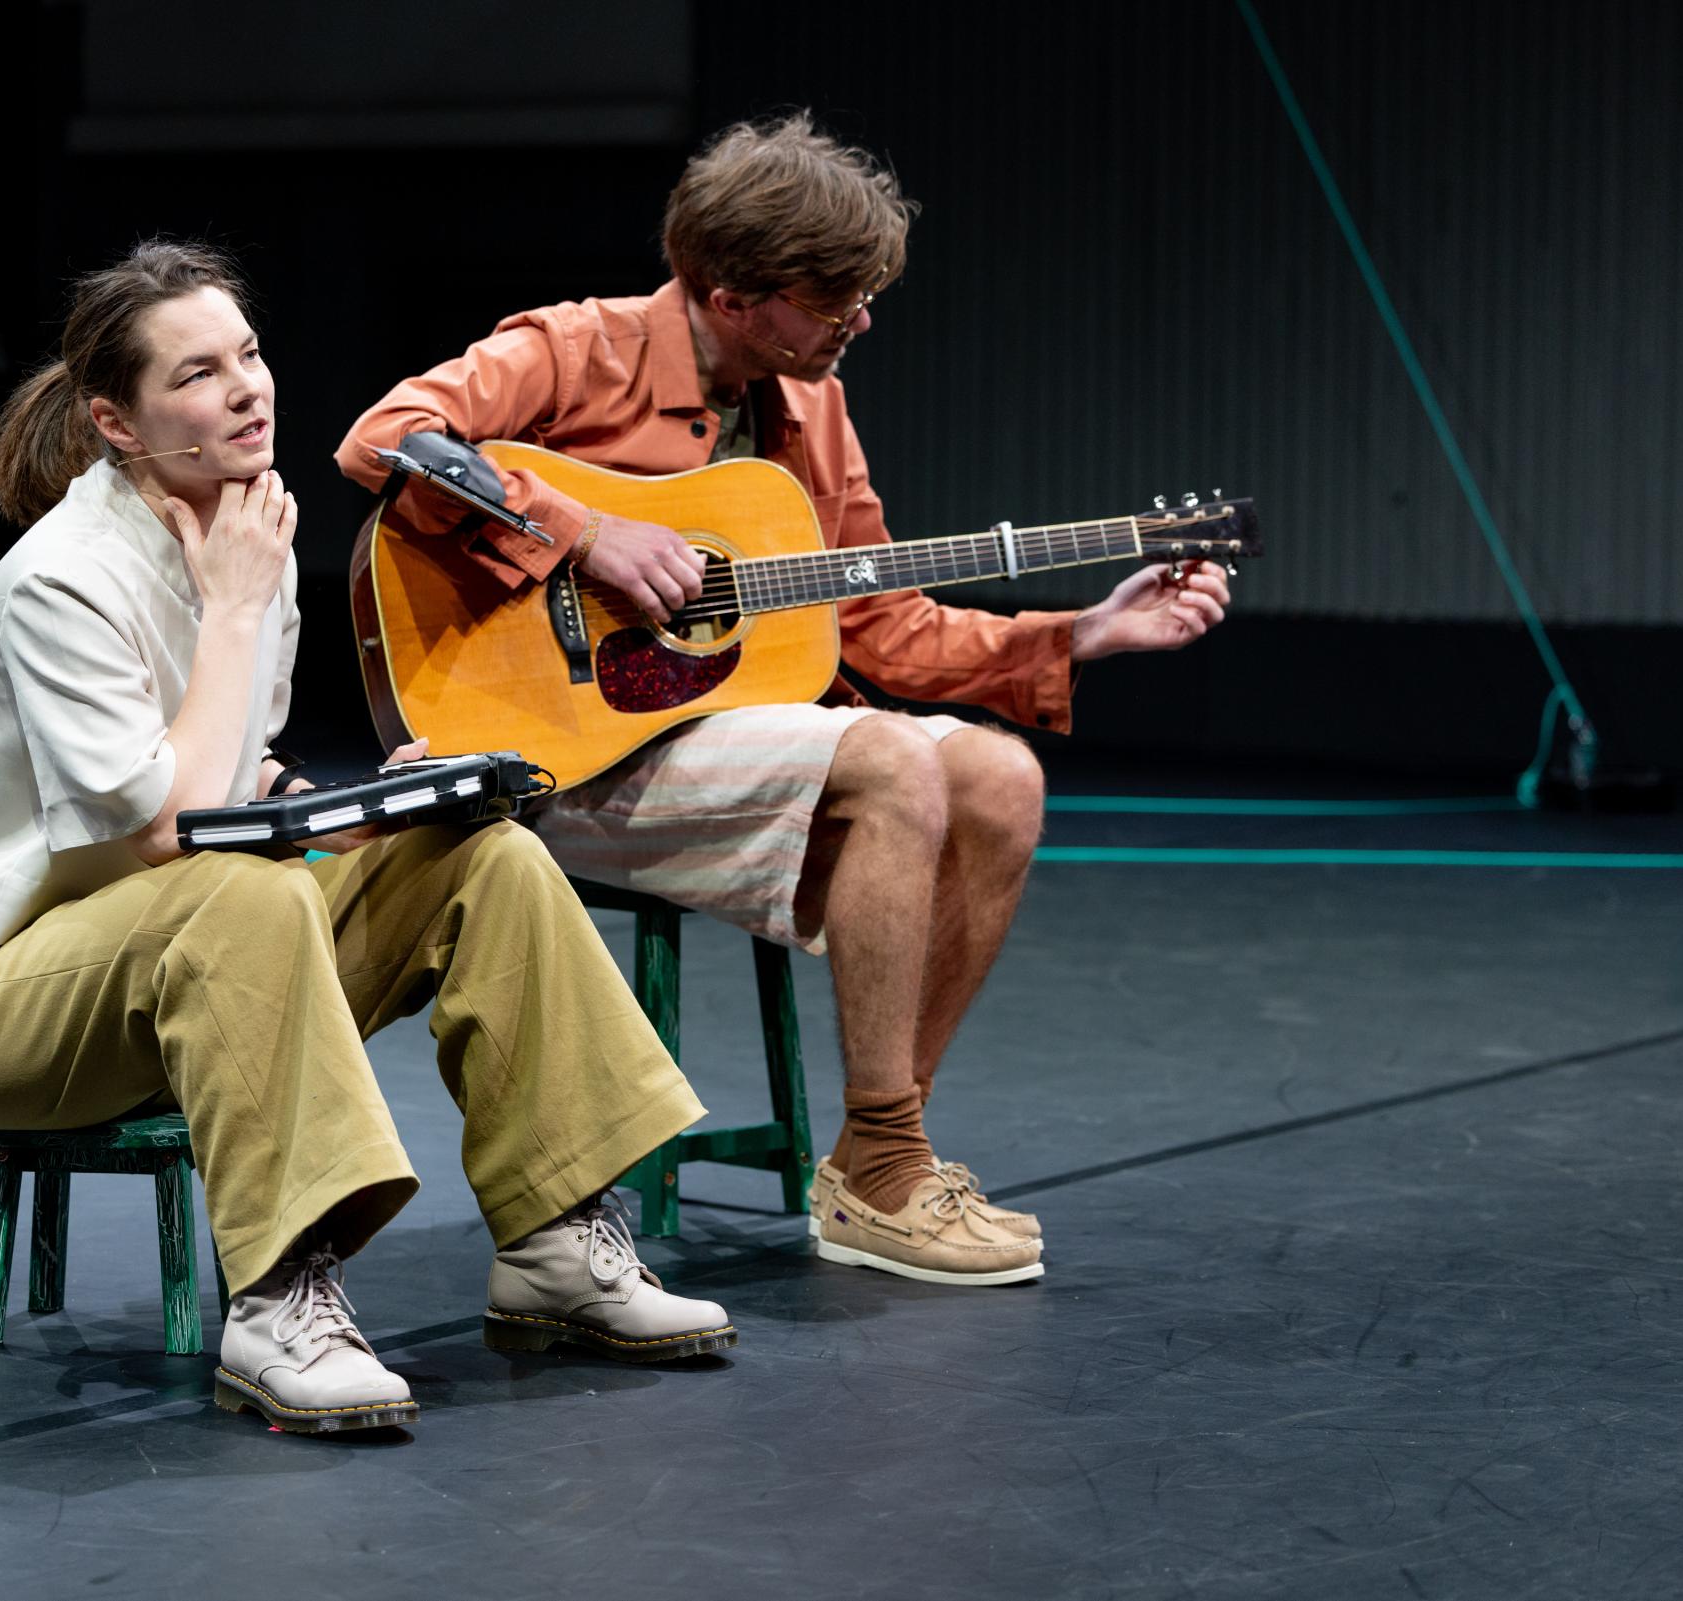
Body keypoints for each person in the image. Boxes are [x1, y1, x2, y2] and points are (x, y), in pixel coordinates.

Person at [336, 114, 1233, 1290]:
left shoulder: (814, 411)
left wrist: (1082, 633)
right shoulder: (577, 347)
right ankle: (891, 1169)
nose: (861, 320)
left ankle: (878, 1155)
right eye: (836, 300)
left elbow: (878, 621)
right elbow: (388, 440)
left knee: (1001, 775)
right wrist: (588, 533)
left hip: (711, 744)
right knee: (892, 760)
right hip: (553, 752)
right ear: (732, 295)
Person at [0, 238, 735, 1436]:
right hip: (8, 993)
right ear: (117, 422)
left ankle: (560, 1242)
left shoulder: (246, 531)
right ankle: (280, 1300)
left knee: (484, 857)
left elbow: (243, 768)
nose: (247, 388)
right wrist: (234, 608)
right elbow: (168, 828)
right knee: (242, 894)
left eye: (247, 355)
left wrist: (359, 808)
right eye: (198, 374)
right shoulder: (63, 580)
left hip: (199, 945)